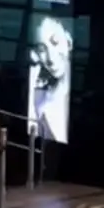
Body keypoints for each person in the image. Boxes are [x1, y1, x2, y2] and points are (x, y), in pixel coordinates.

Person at [28, 15, 73, 144]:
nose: (51, 59)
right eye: (42, 49)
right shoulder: (39, 98)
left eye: (55, 42)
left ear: (68, 40)